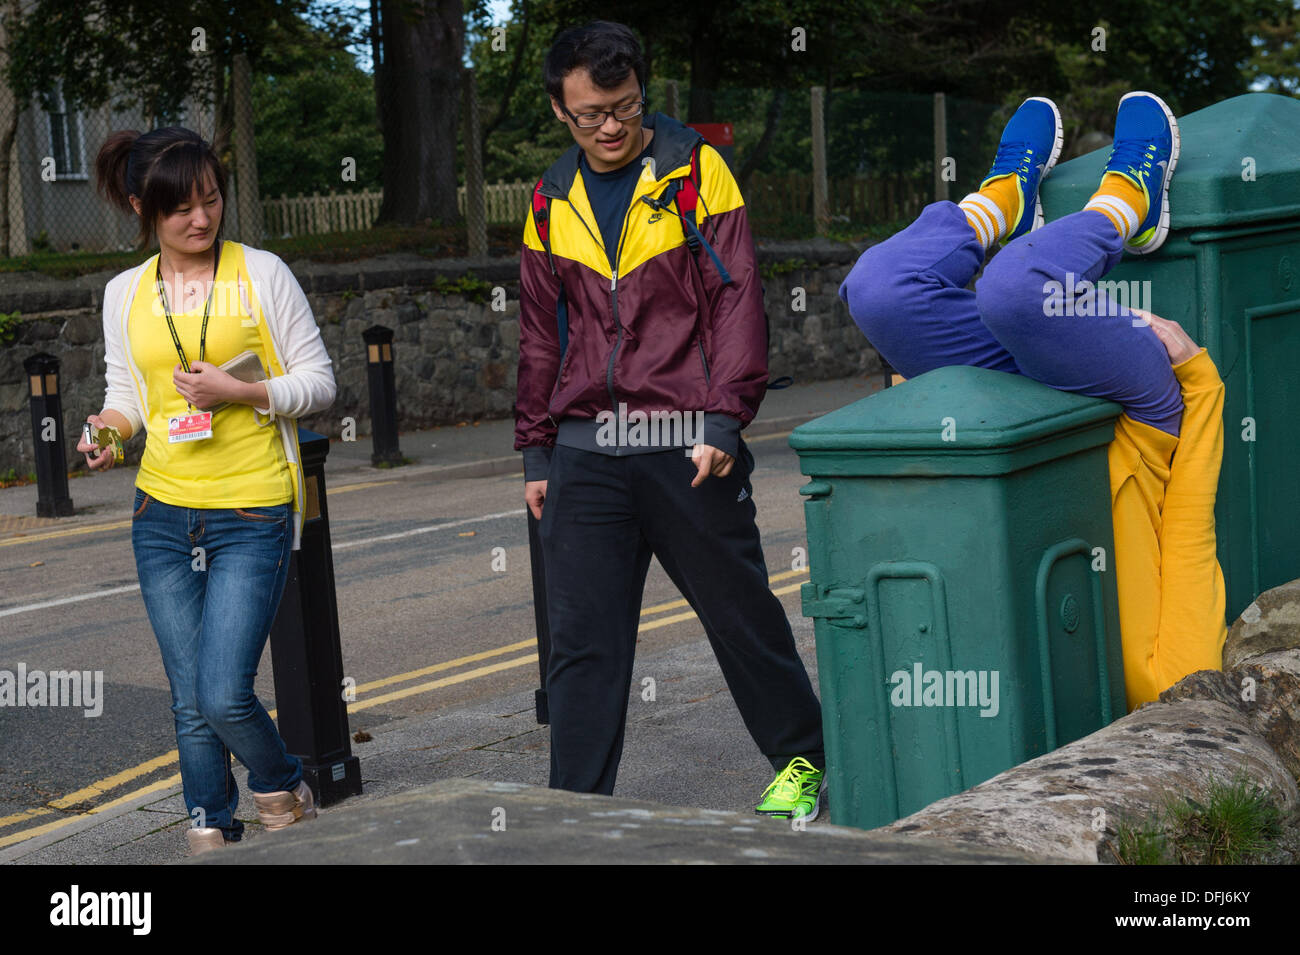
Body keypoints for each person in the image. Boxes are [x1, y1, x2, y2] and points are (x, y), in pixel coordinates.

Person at [515, 20, 827, 818]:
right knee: (580, 647)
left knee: (742, 617)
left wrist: (724, 421)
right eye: (591, 113)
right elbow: (540, 336)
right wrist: (536, 454)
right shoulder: (550, 202)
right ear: (559, 109)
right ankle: (572, 814)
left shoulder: (696, 172)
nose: (611, 126)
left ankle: (806, 763)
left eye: (624, 106)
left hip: (686, 441)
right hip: (585, 452)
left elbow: (736, 301)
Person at [839, 92, 1227, 710]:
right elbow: (1190, 537)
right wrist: (1199, 380)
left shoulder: (1014, 690)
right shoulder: (1174, 687)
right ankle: (1128, 205)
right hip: (1134, 423)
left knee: (876, 292)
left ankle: (998, 207)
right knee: (1016, 292)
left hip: (1022, 416)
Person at [84, 127, 337, 854]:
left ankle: (282, 776)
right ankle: (210, 823)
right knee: (188, 694)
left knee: (222, 690)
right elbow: (128, 396)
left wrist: (242, 390)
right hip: (160, 510)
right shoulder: (123, 293)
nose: (201, 220)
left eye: (212, 201)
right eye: (180, 210)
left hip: (251, 505)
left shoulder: (261, 273)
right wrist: (107, 430)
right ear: (142, 207)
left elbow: (320, 384)